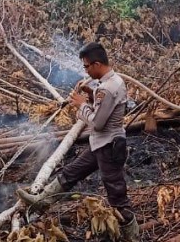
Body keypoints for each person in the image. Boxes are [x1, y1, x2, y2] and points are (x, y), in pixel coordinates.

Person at [17, 42, 137, 240]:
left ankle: (132, 237)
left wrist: (80, 106)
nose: (86, 71)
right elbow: (104, 111)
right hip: (101, 144)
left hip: (108, 146)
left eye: (86, 66)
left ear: (97, 64)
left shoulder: (107, 88)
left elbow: (98, 123)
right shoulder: (113, 82)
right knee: (72, 172)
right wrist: (90, 97)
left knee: (117, 195)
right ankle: (42, 201)